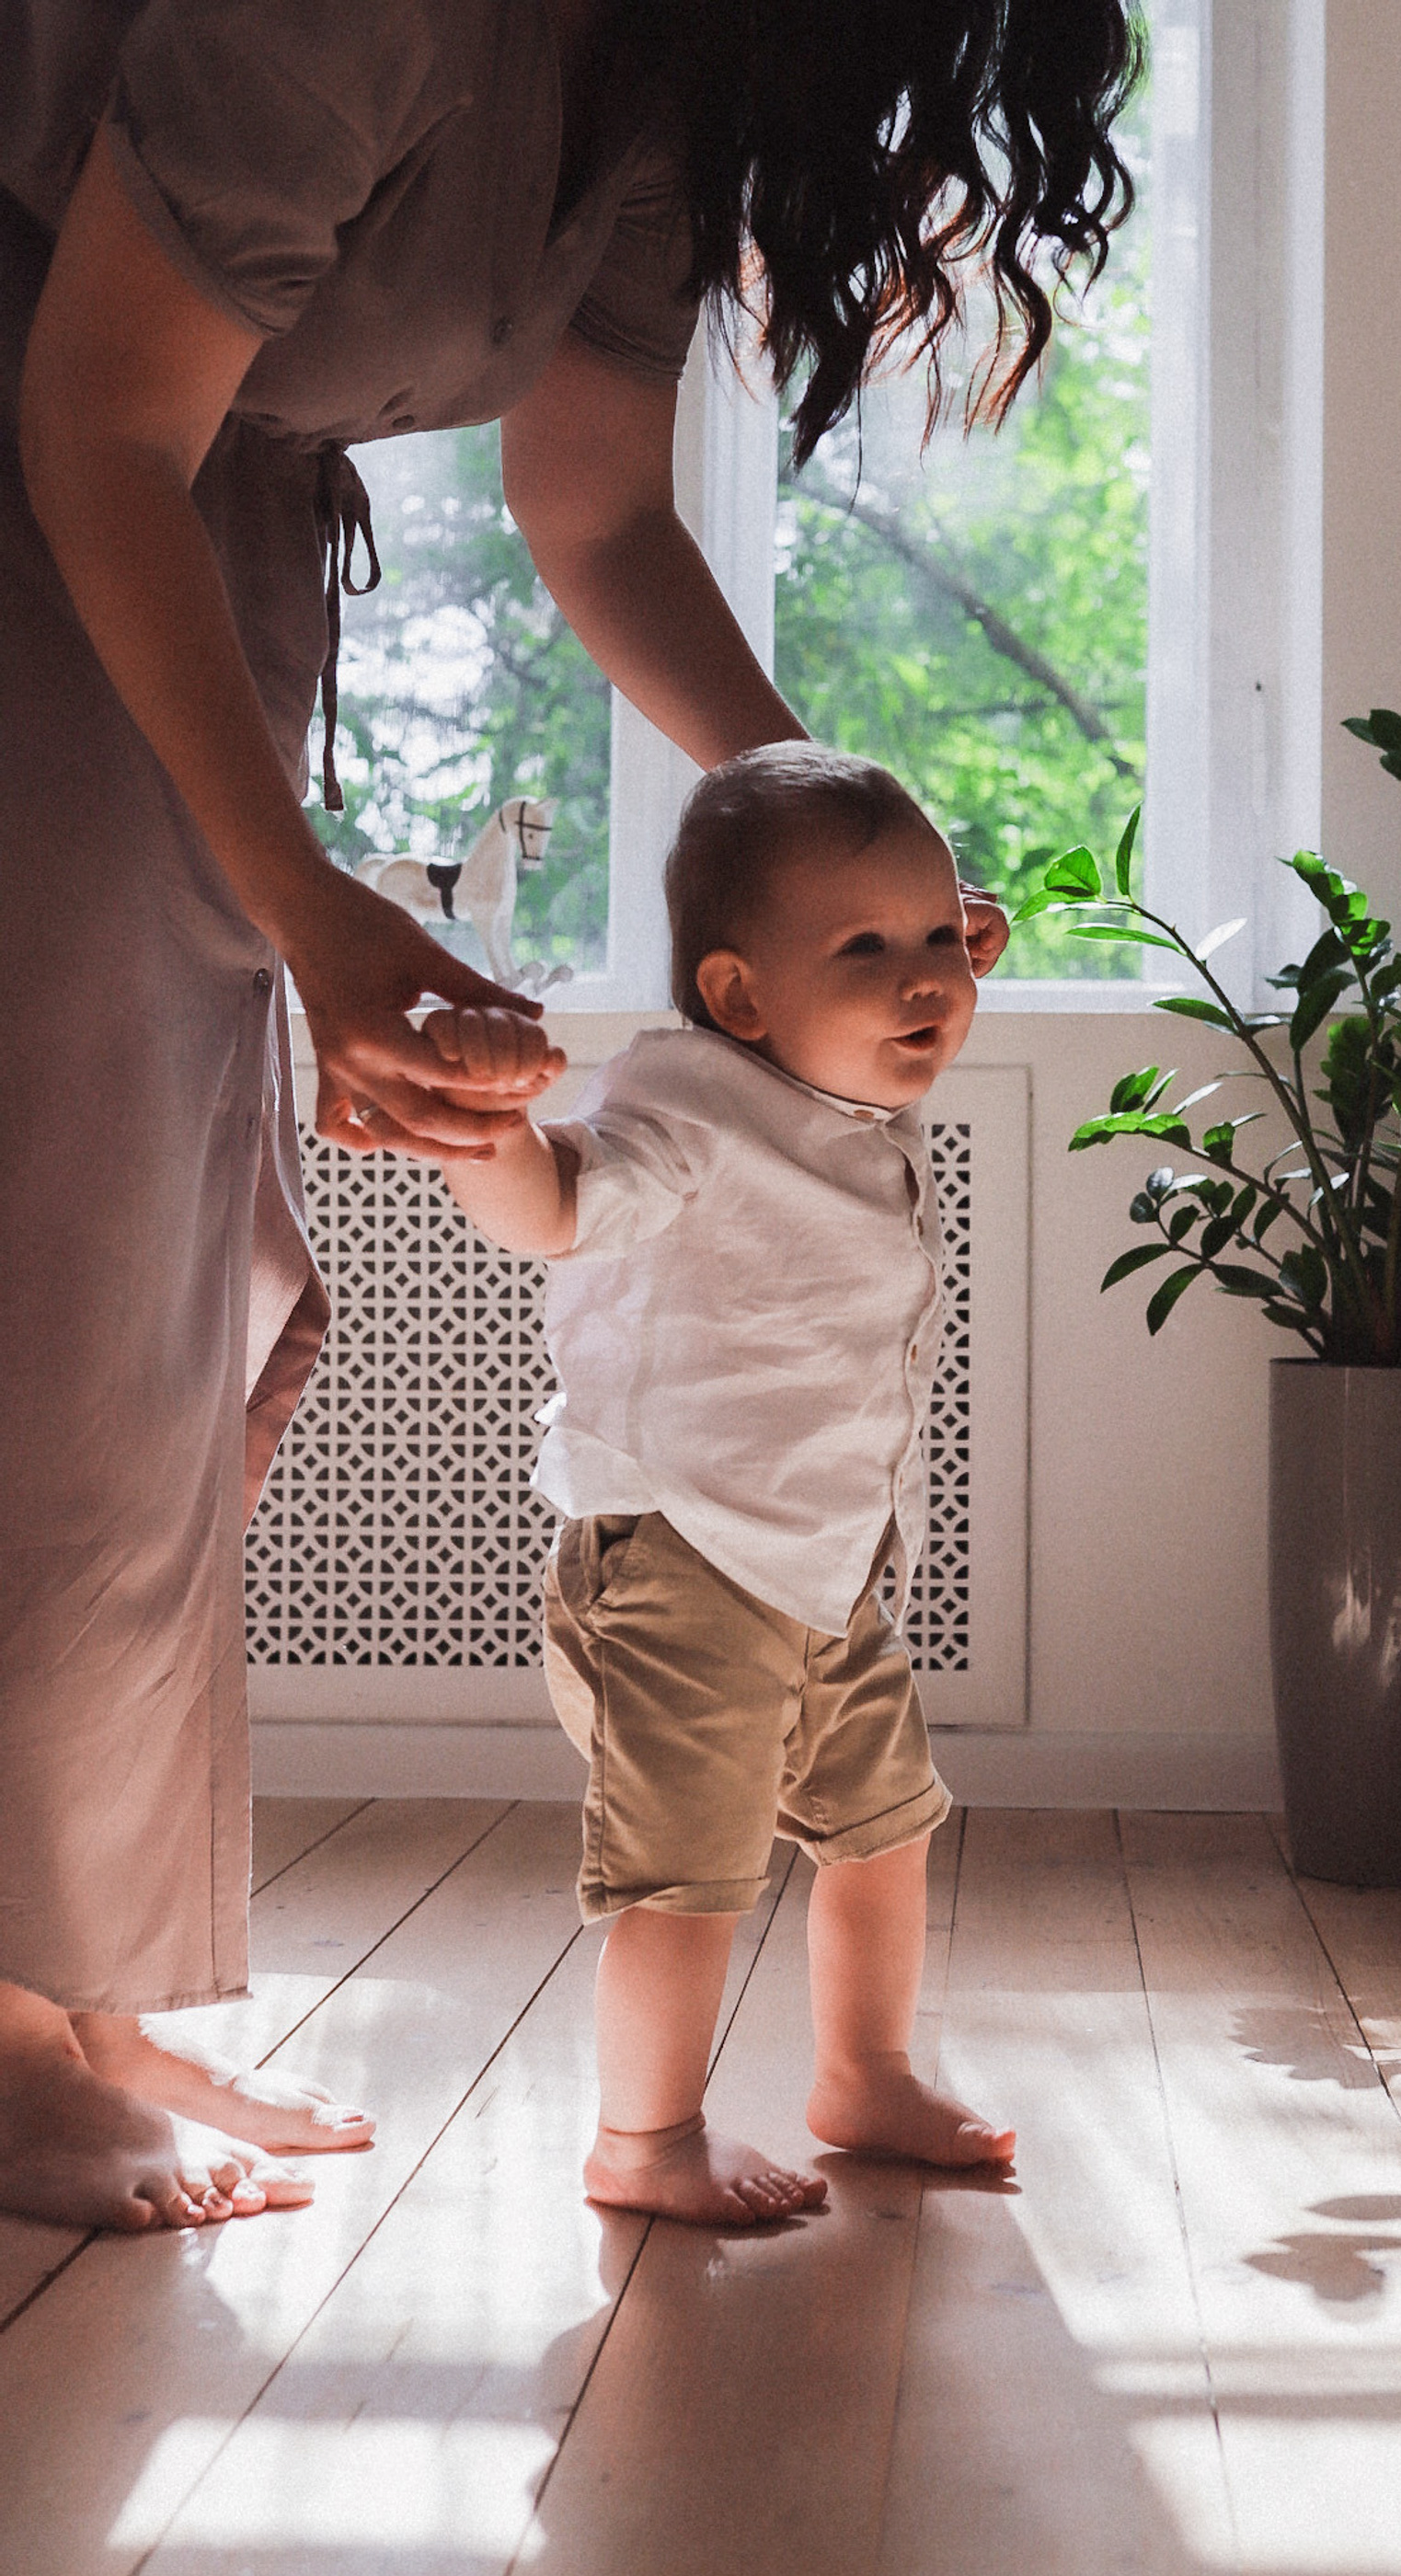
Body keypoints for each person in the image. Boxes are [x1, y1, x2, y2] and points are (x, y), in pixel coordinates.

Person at [0, 0, 1139, 2233]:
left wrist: (856, 884)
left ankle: (78, 1986)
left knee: (171, 1334)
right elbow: (100, 415)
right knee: (50, 1320)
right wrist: (314, 910)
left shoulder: (662, 75)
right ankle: (18, 2040)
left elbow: (593, 503)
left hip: (185, 544)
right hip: (68, 497)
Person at [424, 743, 1015, 2224]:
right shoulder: (688, 1101)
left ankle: (861, 2075)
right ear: (741, 997)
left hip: (824, 1566)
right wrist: (490, 1129)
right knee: (690, 1875)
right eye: (870, 949)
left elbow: (901, 965)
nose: (929, 978)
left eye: (943, 936)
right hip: (683, 1562)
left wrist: (918, 950)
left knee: (887, 1829)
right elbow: (558, 1209)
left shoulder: (842, 1088)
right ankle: (641, 2144)